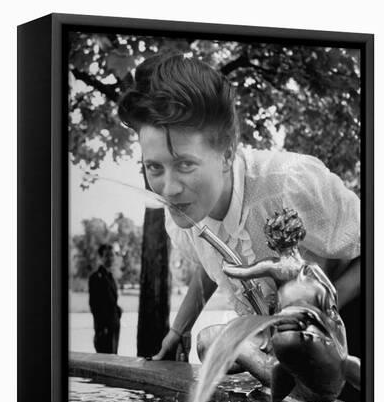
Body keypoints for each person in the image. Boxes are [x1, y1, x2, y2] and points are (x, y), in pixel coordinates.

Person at [117, 52, 361, 381]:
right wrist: (179, 329)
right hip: (282, 346)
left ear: (227, 151)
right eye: (154, 167)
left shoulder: (289, 184)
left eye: (185, 164)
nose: (168, 188)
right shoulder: (184, 209)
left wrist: (312, 318)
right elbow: (212, 257)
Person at [88, 244, 121, 354]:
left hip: (114, 326)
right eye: (107, 255)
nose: (110, 258)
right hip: (104, 329)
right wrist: (102, 328)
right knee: (105, 362)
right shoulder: (95, 278)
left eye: (112, 255)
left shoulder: (110, 276)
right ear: (101, 258)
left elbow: (112, 301)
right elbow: (94, 305)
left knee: (113, 359)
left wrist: (118, 312)